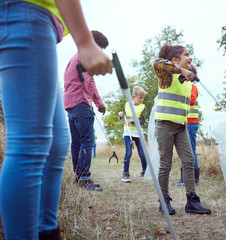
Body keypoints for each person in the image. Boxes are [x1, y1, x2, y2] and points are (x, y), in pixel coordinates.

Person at [0, 0, 112, 239]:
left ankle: (47, 231)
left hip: (40, 25)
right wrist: (85, 42)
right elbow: (88, 82)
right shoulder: (78, 57)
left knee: (57, 144)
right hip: (26, 14)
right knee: (29, 146)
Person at [153, 44, 211, 215]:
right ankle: (163, 200)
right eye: (186, 54)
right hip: (164, 125)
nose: (190, 57)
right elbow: (157, 63)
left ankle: (192, 201)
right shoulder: (167, 75)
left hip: (181, 127)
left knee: (189, 160)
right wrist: (181, 69)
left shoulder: (187, 81)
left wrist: (188, 72)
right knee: (165, 163)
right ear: (175, 60)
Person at [64, 30, 109, 192]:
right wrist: (99, 103)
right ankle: (84, 178)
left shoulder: (73, 58)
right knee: (87, 142)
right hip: (81, 105)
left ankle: (79, 177)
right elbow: (89, 82)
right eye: (101, 48)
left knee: (76, 143)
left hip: (70, 105)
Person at [173, 65, 201, 186]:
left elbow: (190, 101)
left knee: (190, 150)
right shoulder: (184, 87)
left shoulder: (192, 87)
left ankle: (193, 178)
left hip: (191, 122)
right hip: (184, 121)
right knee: (182, 150)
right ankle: (183, 178)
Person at [118, 86, 147, 182]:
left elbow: (142, 120)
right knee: (128, 153)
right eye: (140, 98)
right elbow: (123, 114)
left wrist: (132, 121)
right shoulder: (127, 105)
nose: (142, 100)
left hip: (138, 134)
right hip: (128, 133)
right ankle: (125, 174)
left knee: (142, 153)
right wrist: (120, 115)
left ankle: (144, 171)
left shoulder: (143, 107)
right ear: (134, 96)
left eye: (143, 98)